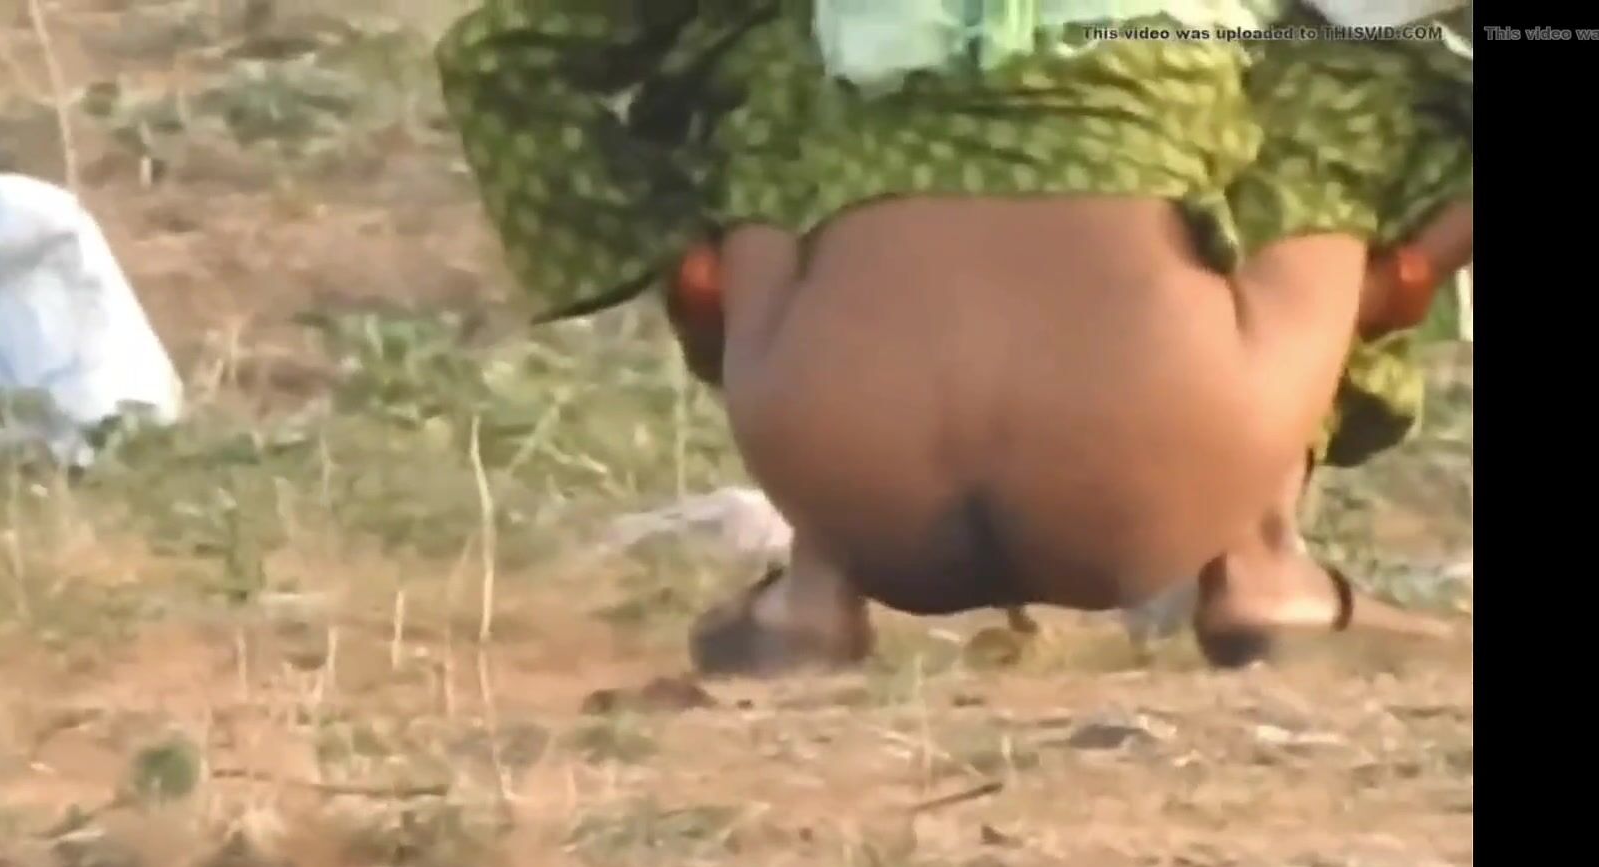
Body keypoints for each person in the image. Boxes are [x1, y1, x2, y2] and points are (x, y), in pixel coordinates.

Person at [435, 0, 1473, 674]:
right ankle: (1260, 563)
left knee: (769, 57)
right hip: (1172, 449)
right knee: (1338, 63)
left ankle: (815, 588)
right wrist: (1409, 272)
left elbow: (501, 57)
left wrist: (674, 254)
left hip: (836, 459)